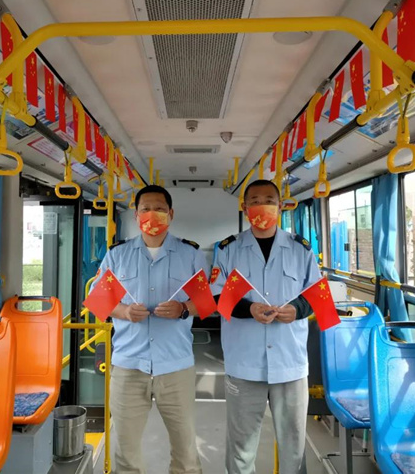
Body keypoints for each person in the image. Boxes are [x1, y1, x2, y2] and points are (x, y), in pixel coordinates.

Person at [93, 185, 206, 474]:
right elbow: (99, 300)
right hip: (129, 366)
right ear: (136, 215)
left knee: (186, 453)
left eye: (159, 209)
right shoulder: (117, 255)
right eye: (145, 209)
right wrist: (124, 312)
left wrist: (183, 308)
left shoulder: (190, 254)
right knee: (125, 454)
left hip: (176, 366)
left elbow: (206, 303)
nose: (152, 214)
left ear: (171, 214)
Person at [210, 179, 321, 474]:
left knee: (294, 447)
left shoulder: (300, 250)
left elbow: (316, 296)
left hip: (290, 364)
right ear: (245, 207)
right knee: (241, 447)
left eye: (269, 200)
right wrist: (249, 309)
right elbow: (217, 298)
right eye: (255, 201)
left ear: (281, 206)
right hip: (244, 363)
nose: (262, 206)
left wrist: (296, 310)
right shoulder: (229, 250)